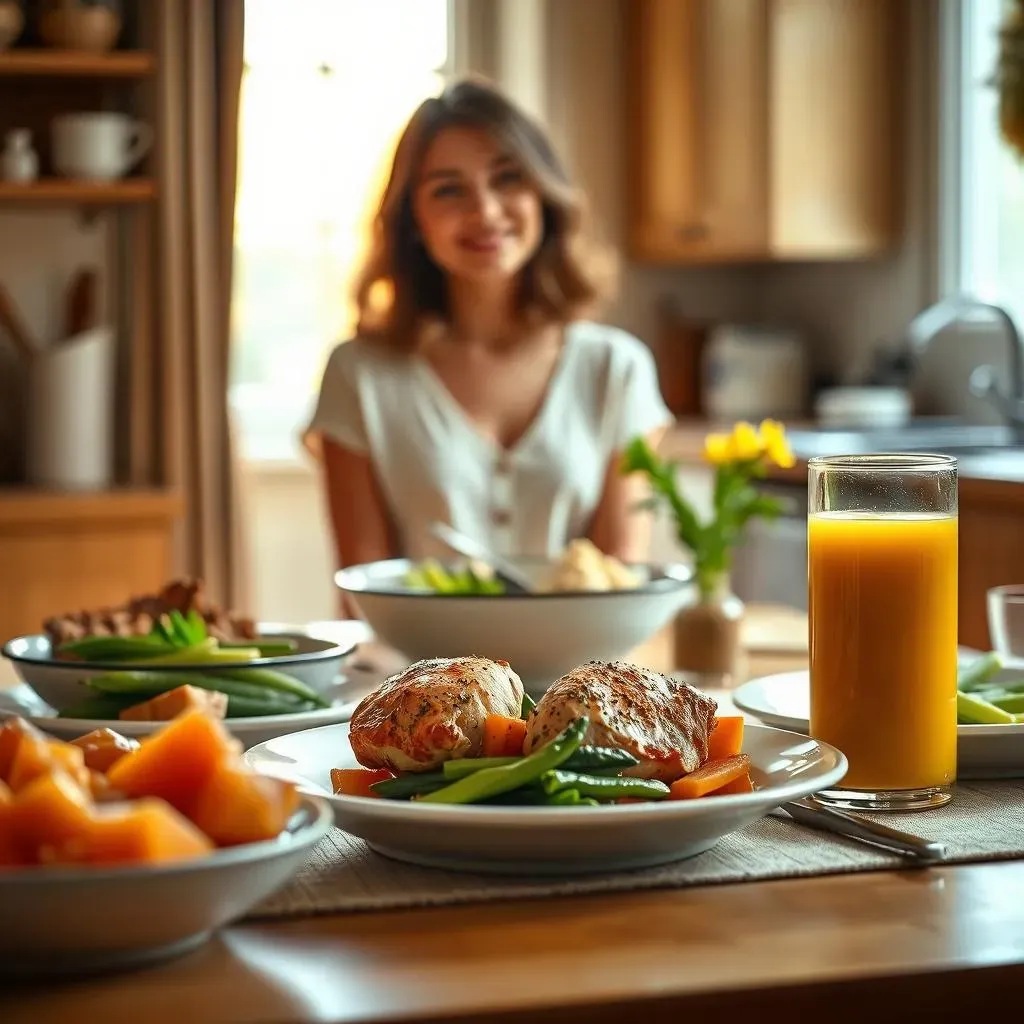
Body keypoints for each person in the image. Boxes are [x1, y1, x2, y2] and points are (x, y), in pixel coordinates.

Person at [304, 76, 673, 574]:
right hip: (418, 655)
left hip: (577, 654)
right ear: (414, 221)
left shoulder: (616, 368)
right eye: (449, 190)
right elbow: (363, 588)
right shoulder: (358, 373)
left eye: (507, 178)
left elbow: (618, 576)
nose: (485, 211)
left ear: (544, 195)